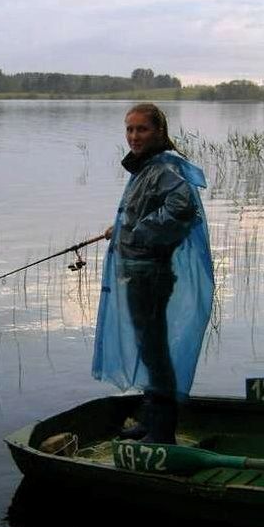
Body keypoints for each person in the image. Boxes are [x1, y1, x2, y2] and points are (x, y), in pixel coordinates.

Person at [92, 103, 214, 443]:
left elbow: (183, 209)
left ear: (159, 132)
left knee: (155, 351)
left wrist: (135, 231)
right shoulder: (148, 166)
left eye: (141, 129)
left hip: (150, 275)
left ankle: (161, 432)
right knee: (150, 349)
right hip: (139, 272)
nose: (134, 136)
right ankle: (151, 419)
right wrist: (121, 227)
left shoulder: (164, 167)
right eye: (129, 129)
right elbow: (148, 210)